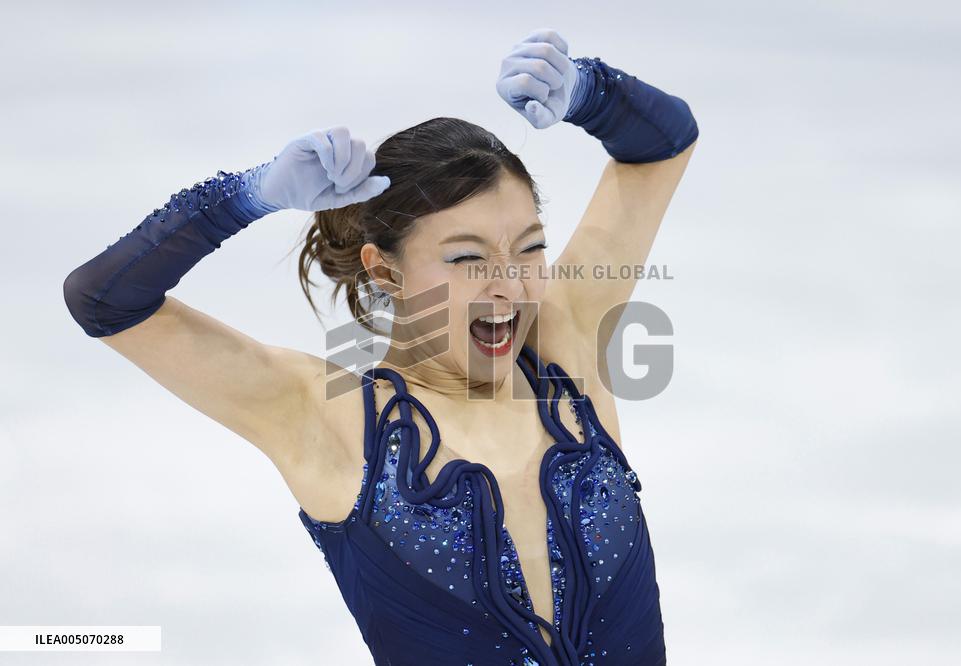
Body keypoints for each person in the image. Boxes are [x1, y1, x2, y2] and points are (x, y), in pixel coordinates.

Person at [62, 27, 697, 666]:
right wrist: (247, 196)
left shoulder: (565, 344)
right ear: (385, 270)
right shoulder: (328, 418)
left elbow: (663, 144)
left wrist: (588, 91)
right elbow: (105, 300)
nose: (510, 284)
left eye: (530, 246)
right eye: (468, 258)